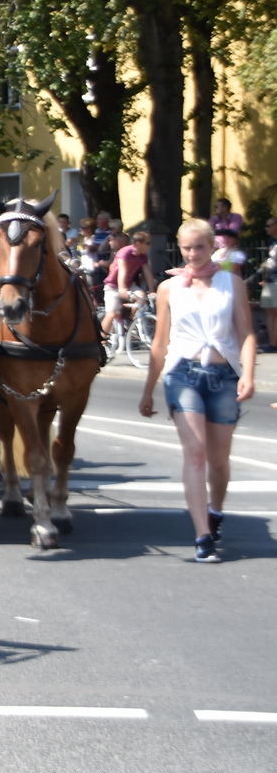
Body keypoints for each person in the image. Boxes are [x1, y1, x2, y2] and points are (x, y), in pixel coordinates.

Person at [139, 219, 257, 563]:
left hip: (223, 376)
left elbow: (247, 333)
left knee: (219, 461)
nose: (192, 254)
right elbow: (160, 342)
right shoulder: (169, 288)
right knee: (196, 452)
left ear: (212, 247)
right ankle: (202, 534)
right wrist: (148, 390)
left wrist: (248, 374)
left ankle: (215, 510)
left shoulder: (231, 284)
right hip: (182, 374)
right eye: (187, 248)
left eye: (199, 247)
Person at [104, 230, 156, 342]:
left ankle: (131, 321)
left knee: (141, 296)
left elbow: (147, 272)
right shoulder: (125, 252)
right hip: (112, 286)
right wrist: (122, 287)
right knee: (111, 313)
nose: (149, 245)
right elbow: (123, 269)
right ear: (138, 243)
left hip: (129, 284)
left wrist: (152, 290)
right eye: (147, 243)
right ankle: (101, 340)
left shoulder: (143, 256)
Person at [258, 218, 277, 354]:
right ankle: (272, 343)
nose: (266, 228)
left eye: (268, 225)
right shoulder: (272, 242)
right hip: (270, 280)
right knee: (269, 312)